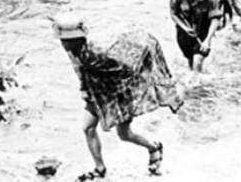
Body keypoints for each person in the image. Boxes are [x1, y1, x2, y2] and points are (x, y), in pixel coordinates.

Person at [53, 14, 166, 180]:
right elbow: (81, 74)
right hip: (96, 95)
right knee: (88, 127)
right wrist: (85, 89)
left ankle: (154, 147)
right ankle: (100, 169)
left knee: (124, 134)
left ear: (77, 40)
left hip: (117, 95)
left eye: (66, 40)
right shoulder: (73, 52)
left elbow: (126, 69)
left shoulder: (95, 54)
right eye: (63, 40)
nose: (63, 43)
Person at [169, 0, 222, 72]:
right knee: (190, 59)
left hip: (203, 32)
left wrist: (208, 40)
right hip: (184, 33)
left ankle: (196, 85)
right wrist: (185, 28)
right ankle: (193, 78)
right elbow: (173, 14)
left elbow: (215, 19)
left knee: (197, 62)